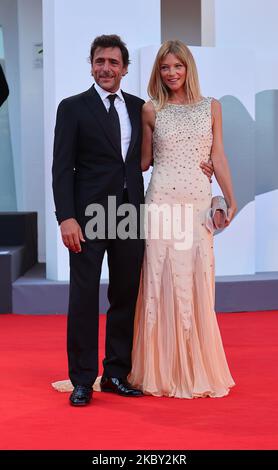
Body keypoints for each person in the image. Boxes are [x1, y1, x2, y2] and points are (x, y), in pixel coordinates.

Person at [52, 35, 214, 405]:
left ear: (125, 69)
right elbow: (61, 169)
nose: (106, 68)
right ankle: (82, 378)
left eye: (113, 62)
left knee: (125, 295)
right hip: (89, 216)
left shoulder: (143, 108)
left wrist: (203, 165)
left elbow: (162, 153)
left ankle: (115, 373)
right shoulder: (72, 108)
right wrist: (67, 218)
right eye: (99, 61)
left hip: (131, 214)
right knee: (83, 296)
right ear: (91, 65)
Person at [128, 40, 237, 398]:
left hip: (196, 203)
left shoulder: (212, 107)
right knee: (160, 279)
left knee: (196, 279)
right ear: (157, 72)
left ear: (189, 68)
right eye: (164, 67)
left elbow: (217, 155)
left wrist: (229, 197)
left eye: (177, 66)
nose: (171, 73)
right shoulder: (150, 110)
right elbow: (144, 162)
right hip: (160, 201)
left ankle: (194, 366)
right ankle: (160, 371)